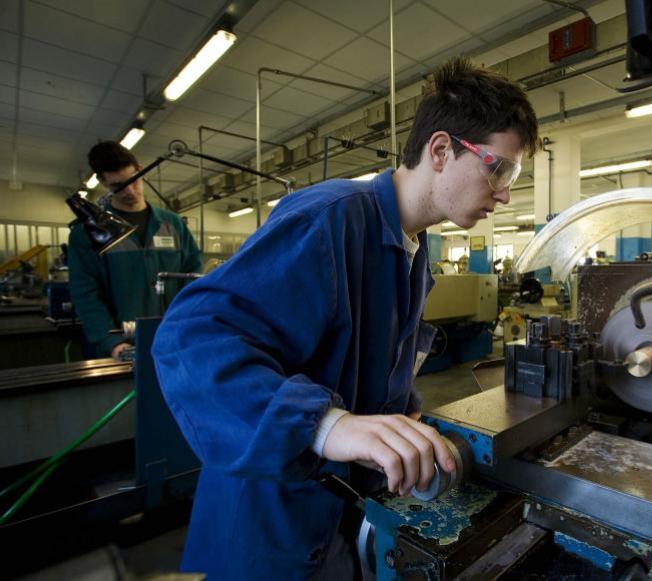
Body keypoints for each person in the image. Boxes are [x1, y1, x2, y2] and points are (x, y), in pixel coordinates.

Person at [151, 56, 539, 579]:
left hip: (340, 512)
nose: (505, 192)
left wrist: (405, 426)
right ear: (442, 150)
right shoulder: (330, 218)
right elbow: (190, 339)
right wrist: (325, 424)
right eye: (499, 168)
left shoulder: (412, 249)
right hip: (276, 517)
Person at [68, 141, 202, 359]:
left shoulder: (173, 224)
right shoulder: (87, 234)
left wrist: (190, 324)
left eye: (134, 180)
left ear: (140, 169)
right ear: (103, 182)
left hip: (175, 339)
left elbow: (193, 275)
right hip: (123, 346)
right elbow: (86, 293)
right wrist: (110, 341)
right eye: (118, 186)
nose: (130, 191)